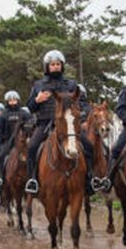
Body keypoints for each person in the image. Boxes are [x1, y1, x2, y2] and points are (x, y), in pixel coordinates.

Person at [24, 50, 92, 194]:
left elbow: (83, 103)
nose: (55, 66)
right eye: (52, 64)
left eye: (57, 64)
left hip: (69, 126)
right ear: (47, 67)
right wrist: (37, 100)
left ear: (62, 66)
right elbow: (29, 107)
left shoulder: (72, 84)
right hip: (45, 123)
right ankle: (32, 181)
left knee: (89, 146)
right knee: (32, 147)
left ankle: (89, 180)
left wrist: (84, 119)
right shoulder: (38, 85)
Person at [0, 91, 30, 188]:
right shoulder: (3, 115)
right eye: (10, 100)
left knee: (32, 155)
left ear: (18, 100)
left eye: (14, 100)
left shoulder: (23, 113)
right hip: (8, 141)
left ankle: (33, 178)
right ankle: (0, 177)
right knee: (2, 156)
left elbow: (31, 122)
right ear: (7, 101)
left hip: (22, 142)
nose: (12, 102)